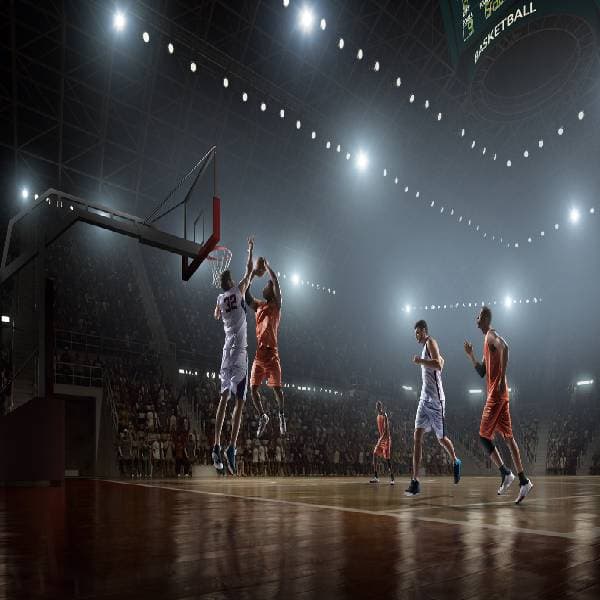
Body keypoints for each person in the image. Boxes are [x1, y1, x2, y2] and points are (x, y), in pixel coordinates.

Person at [464, 306, 533, 504]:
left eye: (478, 316)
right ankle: (524, 481)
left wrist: (502, 378)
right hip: (501, 396)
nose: (475, 318)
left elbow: (506, 347)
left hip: (496, 394)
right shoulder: (486, 341)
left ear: (485, 318)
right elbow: (482, 372)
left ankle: (506, 473)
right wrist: (471, 355)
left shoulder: (491, 335)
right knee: (509, 439)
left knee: (483, 436)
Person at [212, 237, 254, 475]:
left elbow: (217, 314)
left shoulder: (220, 298)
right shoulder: (238, 291)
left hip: (225, 352)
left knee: (222, 399)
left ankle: (215, 445)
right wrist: (249, 249)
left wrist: (218, 311)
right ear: (230, 281)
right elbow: (249, 270)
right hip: (239, 353)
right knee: (240, 402)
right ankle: (231, 447)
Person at [406, 320, 461, 496]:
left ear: (423, 331)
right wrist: (433, 361)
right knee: (417, 437)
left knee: (441, 438)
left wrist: (420, 361)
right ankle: (415, 481)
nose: (415, 336)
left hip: (437, 402)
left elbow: (438, 364)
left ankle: (455, 460)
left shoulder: (431, 342)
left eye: (417, 332)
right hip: (424, 399)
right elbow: (441, 362)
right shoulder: (426, 346)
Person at [245, 259, 286, 437]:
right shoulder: (259, 305)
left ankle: (281, 415)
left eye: (268, 285)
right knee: (252, 389)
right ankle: (263, 416)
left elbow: (276, 280)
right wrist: (252, 275)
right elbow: (246, 296)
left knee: (277, 389)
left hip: (272, 355)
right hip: (259, 355)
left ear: (272, 292)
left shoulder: (276, 306)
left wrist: (268, 266)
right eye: (267, 285)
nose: (266, 286)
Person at [370, 401, 395, 485]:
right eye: (376, 406)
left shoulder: (384, 415)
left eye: (379, 406)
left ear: (381, 407)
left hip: (386, 439)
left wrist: (381, 438)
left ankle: (392, 478)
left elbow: (386, 429)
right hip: (381, 438)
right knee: (374, 454)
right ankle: (376, 477)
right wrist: (380, 437)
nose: (377, 407)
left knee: (387, 459)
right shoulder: (377, 416)